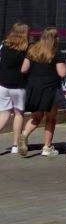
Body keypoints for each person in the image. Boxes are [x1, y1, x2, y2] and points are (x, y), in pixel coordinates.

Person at [20, 27, 66, 156]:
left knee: (36, 117)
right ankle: (47, 148)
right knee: (50, 119)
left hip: (34, 88)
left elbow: (24, 69)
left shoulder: (33, 50)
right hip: (50, 89)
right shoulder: (56, 53)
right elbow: (62, 73)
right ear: (55, 38)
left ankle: (24, 134)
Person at [0, 23, 29, 155]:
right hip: (19, 85)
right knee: (18, 114)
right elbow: (26, 68)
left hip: (3, 84)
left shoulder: (3, 45)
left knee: (4, 114)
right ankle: (15, 145)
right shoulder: (27, 48)